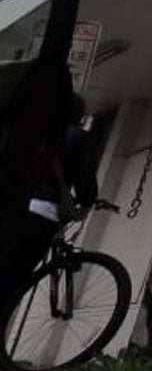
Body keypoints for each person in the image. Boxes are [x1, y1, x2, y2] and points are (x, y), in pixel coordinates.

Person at [0, 83, 98, 313]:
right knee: (14, 280)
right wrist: (85, 205)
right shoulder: (79, 138)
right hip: (41, 214)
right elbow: (85, 179)